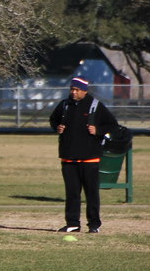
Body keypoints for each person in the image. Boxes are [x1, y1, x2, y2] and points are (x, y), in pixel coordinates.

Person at [49, 76, 118, 233]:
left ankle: (94, 224)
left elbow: (113, 125)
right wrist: (57, 127)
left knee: (91, 193)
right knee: (72, 193)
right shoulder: (65, 105)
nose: (73, 92)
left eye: (77, 90)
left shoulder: (95, 106)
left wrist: (98, 130)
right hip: (68, 157)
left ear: (85, 91)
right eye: (72, 89)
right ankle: (72, 223)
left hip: (90, 158)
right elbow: (53, 120)